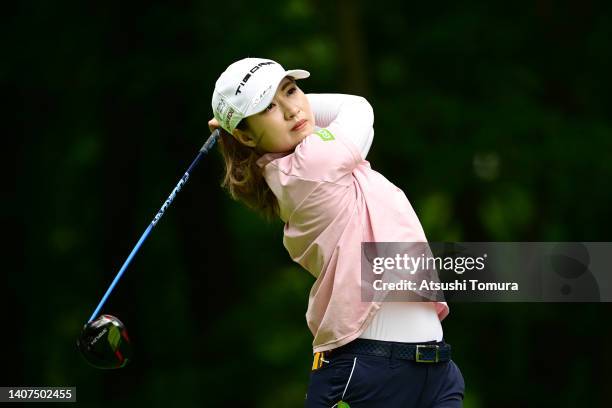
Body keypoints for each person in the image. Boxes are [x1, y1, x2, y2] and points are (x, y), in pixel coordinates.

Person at [209, 57, 465, 407]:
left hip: (432, 368)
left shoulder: (315, 160)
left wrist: (243, 124)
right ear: (247, 135)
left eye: (291, 91)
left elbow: (332, 119)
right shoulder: (308, 166)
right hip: (369, 373)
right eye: (268, 106)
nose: (291, 110)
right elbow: (357, 108)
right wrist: (239, 124)